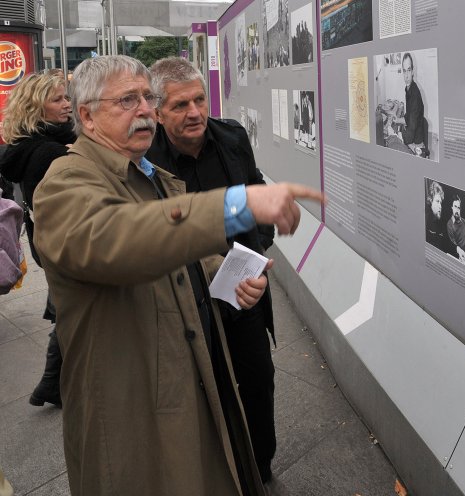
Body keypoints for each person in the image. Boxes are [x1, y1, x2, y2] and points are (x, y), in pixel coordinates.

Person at [32, 55, 323, 496]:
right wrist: (235, 205)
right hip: (131, 406)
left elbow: (178, 257)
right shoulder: (65, 181)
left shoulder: (143, 172)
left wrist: (230, 274)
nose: (145, 110)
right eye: (128, 100)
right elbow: (121, 238)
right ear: (87, 115)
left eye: (147, 97)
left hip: (185, 372)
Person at [147, 56, 278, 491]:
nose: (195, 113)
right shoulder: (148, 160)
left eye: (199, 100)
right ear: (159, 112)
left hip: (246, 290)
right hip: (188, 299)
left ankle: (260, 467)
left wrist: (260, 242)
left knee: (258, 378)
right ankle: (219, 473)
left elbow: (257, 189)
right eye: (181, 105)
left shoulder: (232, 138)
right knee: (207, 388)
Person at [0, 72, 76, 408]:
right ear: (36, 106)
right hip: (67, 242)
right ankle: (51, 384)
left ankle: (50, 385)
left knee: (69, 307)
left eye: (66, 97)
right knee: (74, 310)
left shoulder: (26, 145)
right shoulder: (50, 151)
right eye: (58, 99)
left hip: (47, 241)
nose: (67, 104)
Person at [393, 53, 426, 154]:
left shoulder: (415, 94)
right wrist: (397, 119)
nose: (406, 76)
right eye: (404, 71)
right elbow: (409, 116)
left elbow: (410, 134)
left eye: (409, 70)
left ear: (412, 71)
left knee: (393, 145)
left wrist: (396, 134)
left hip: (416, 143)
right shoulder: (408, 88)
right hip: (413, 136)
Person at [447, 195, 465, 264]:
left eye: (458, 208)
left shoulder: (464, 221)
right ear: (452, 208)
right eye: (455, 207)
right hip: (461, 258)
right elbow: (455, 248)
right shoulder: (449, 224)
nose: (457, 210)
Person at [425, 179, 447, 253]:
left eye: (440, 203)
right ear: (431, 201)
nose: (440, 206)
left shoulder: (442, 223)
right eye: (437, 201)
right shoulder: (425, 221)